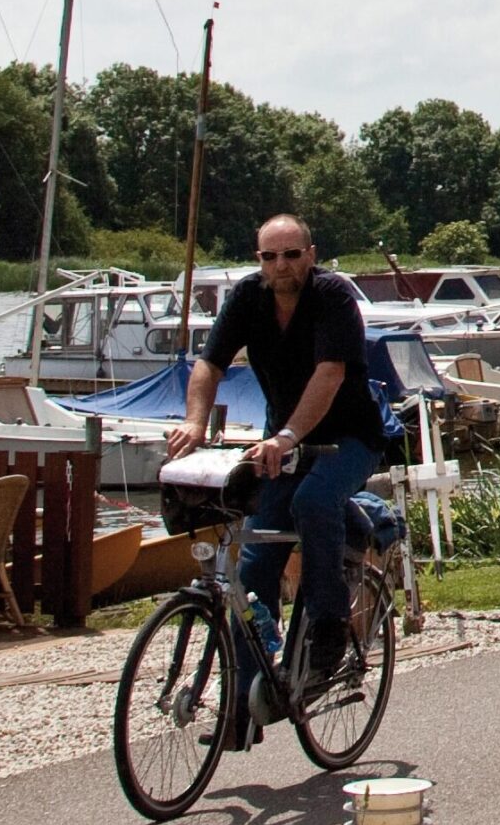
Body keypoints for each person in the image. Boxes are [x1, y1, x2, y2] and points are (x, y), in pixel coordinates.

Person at [164, 214, 384, 700]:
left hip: (350, 438)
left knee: (312, 501)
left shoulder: (333, 297)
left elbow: (329, 376)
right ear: (258, 259)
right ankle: (242, 706)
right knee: (254, 572)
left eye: (291, 254)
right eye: (270, 256)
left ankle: (328, 625)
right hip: (285, 442)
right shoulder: (247, 297)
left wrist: (284, 438)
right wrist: (195, 421)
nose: (280, 265)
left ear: (311, 254)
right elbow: (208, 365)